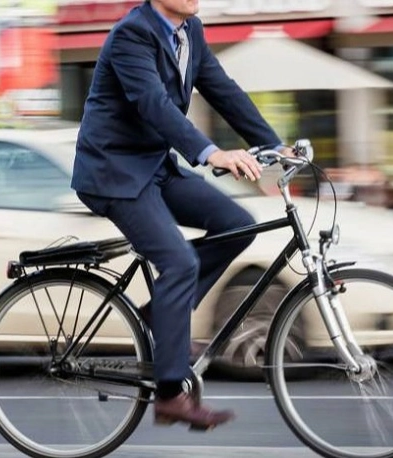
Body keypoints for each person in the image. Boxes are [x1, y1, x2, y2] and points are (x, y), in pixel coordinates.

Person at [72, 0, 292, 430]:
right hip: (114, 172)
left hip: (154, 166)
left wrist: (273, 144)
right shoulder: (131, 34)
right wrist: (213, 153)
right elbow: (153, 104)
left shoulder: (190, 31)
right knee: (179, 261)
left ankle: (163, 313)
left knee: (238, 223)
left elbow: (222, 89)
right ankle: (171, 395)